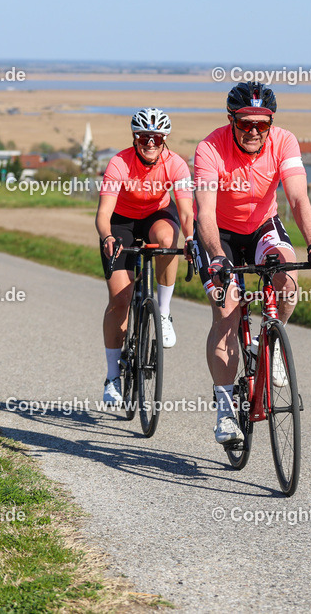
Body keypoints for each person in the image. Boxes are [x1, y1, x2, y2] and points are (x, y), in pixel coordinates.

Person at [193, 82, 311, 444]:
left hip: (262, 226)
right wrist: (218, 256)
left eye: (262, 124)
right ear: (231, 120)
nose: (254, 131)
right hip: (219, 233)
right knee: (226, 313)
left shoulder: (284, 141)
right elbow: (205, 212)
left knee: (287, 280)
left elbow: (298, 199)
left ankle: (269, 343)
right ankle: (226, 412)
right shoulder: (210, 147)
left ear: (271, 123)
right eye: (246, 123)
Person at [95, 108, 195, 405]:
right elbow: (103, 213)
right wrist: (107, 237)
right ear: (135, 137)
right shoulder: (119, 162)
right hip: (121, 222)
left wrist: (191, 238)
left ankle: (163, 312)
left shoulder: (176, 164)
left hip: (157, 214)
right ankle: (113, 376)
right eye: (144, 137)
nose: (150, 143)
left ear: (165, 139)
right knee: (120, 300)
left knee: (167, 240)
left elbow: (186, 212)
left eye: (157, 138)